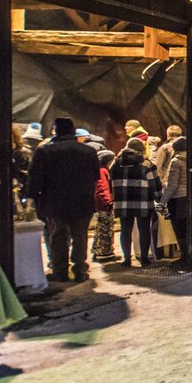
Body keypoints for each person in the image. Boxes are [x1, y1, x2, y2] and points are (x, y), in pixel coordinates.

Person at [24, 117, 99, 282]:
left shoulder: (44, 151)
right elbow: (95, 176)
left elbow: (35, 178)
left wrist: (31, 198)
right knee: (80, 236)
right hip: (82, 201)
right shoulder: (88, 151)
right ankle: (80, 270)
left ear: (56, 131)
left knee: (57, 236)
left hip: (54, 202)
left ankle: (60, 272)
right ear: (73, 131)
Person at [111, 137, 162, 267]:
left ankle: (127, 259)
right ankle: (144, 258)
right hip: (143, 202)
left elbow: (110, 182)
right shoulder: (147, 165)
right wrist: (159, 198)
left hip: (122, 202)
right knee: (144, 229)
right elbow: (155, 184)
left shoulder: (116, 164)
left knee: (125, 230)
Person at [157, 137, 189, 261]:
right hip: (189, 198)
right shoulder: (191, 159)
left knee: (179, 228)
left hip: (177, 199)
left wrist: (162, 202)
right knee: (188, 227)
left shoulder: (176, 161)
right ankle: (190, 253)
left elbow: (172, 185)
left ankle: (184, 255)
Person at [92, 150, 117, 262]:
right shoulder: (102, 171)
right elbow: (102, 188)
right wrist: (108, 202)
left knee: (99, 228)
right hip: (103, 205)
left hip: (99, 204)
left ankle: (97, 250)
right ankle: (105, 252)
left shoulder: (98, 170)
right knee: (105, 229)